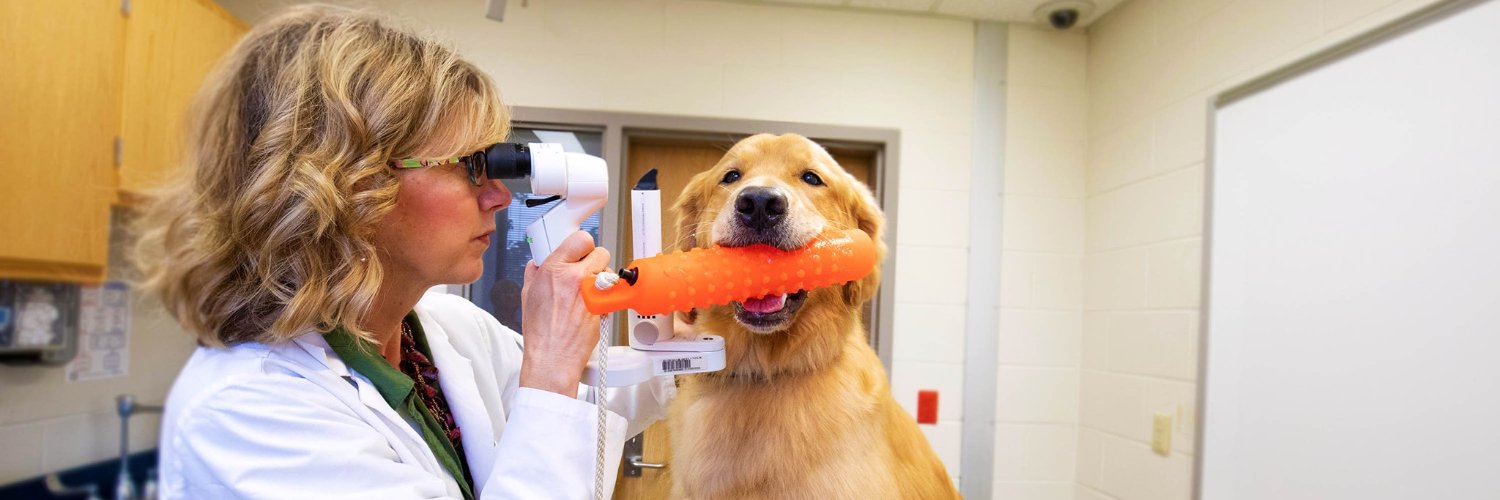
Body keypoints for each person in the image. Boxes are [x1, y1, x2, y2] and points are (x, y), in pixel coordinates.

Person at [135, 5, 671, 499]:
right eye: (469, 166)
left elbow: (583, 412)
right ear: (345, 182)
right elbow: (550, 403)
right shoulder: (246, 413)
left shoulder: (444, 328)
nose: (499, 195)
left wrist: (692, 350)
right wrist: (550, 366)